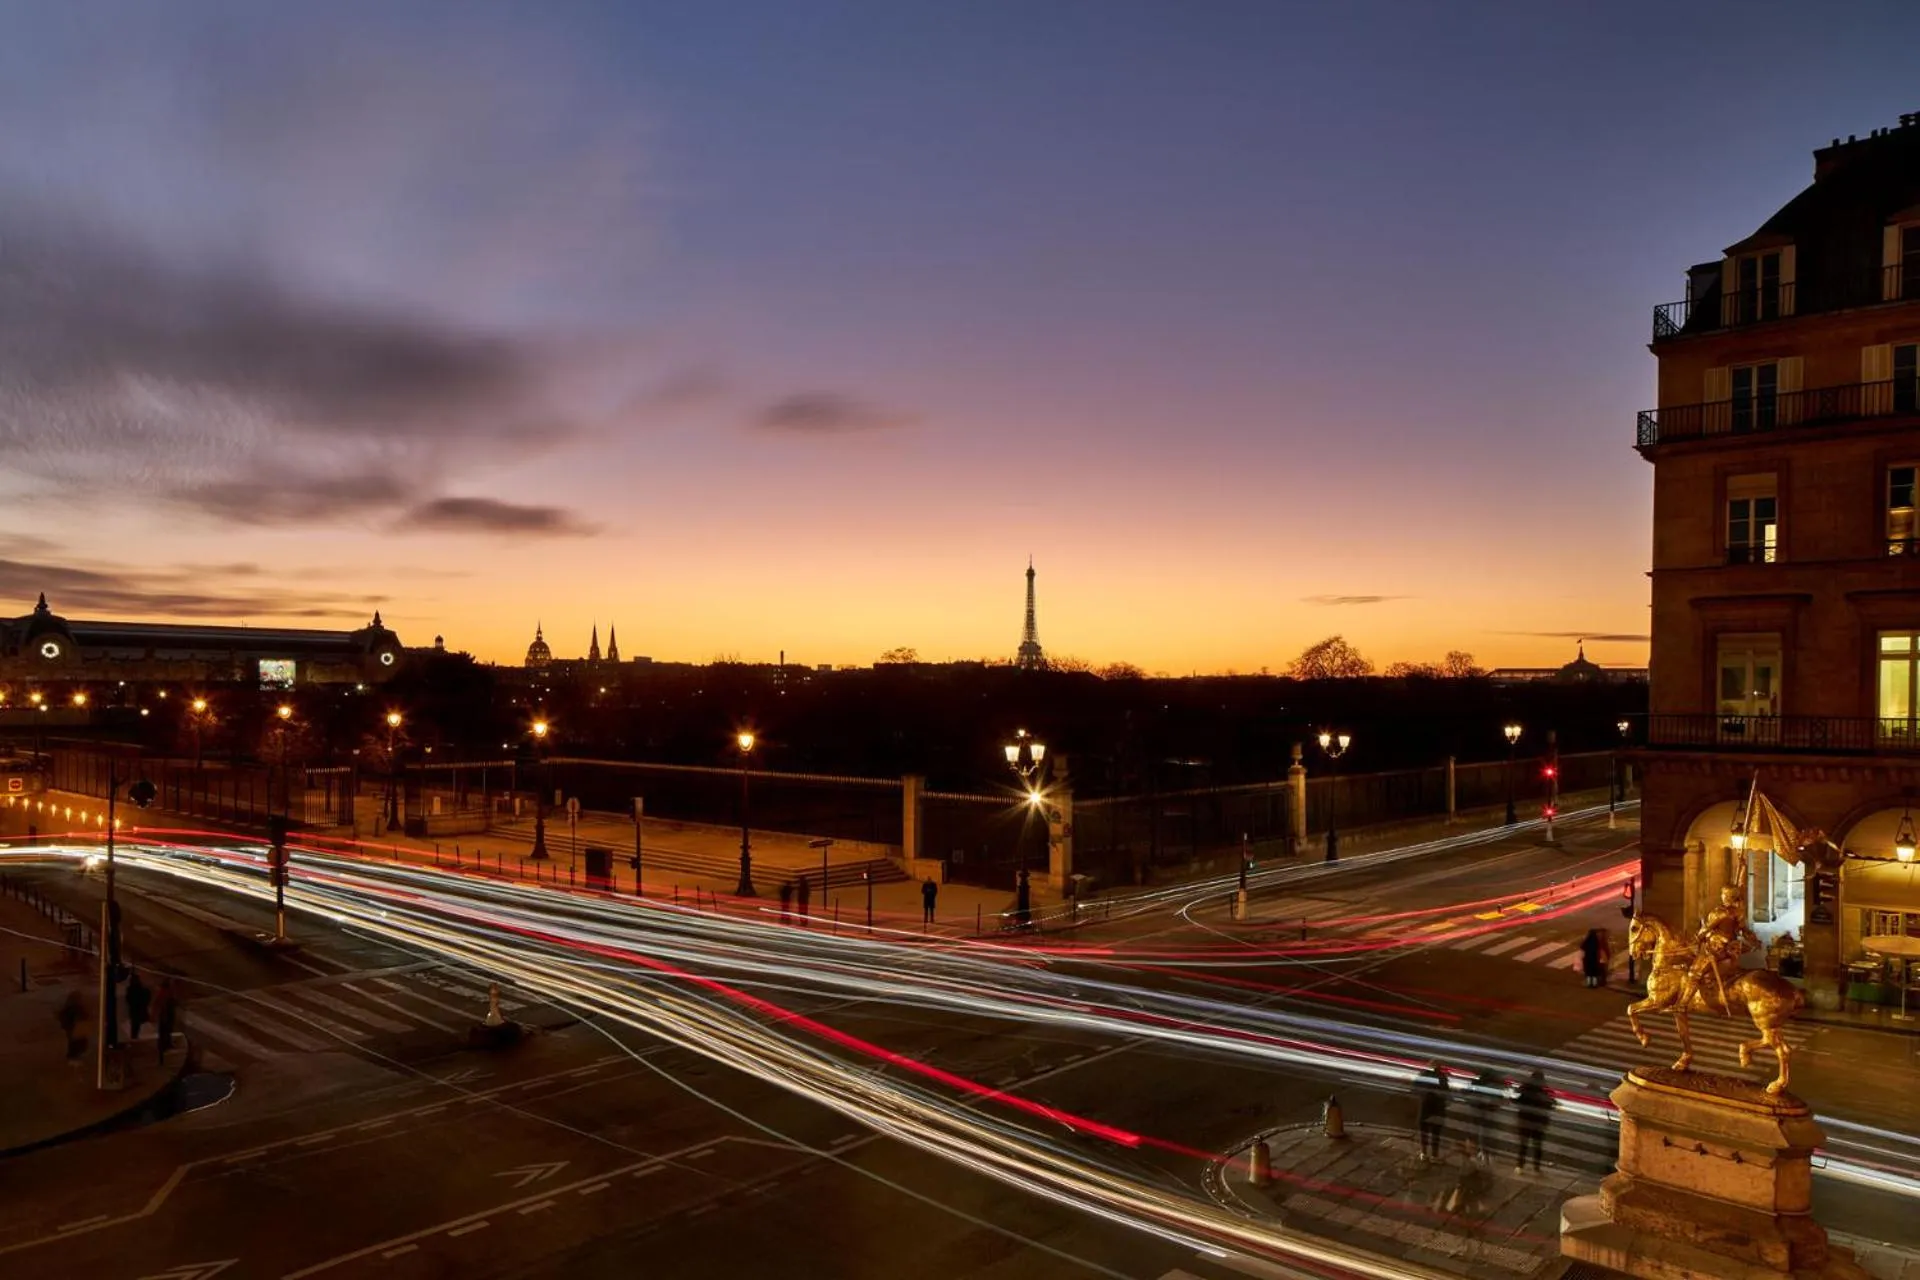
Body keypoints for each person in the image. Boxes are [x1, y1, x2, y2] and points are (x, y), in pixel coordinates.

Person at [1514, 1068, 1554, 1174]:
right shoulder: (1543, 1091)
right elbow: (1549, 1104)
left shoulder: (1524, 1088)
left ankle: (1520, 1166)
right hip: (1538, 1122)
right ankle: (1536, 1167)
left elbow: (1516, 1100)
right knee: (1537, 1145)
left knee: (1523, 1144)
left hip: (1524, 1120)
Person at [1467, 1067, 1504, 1162]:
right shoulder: (1495, 1085)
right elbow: (1500, 1098)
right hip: (1489, 1111)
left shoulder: (1477, 1082)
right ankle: (1486, 1153)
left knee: (1475, 1132)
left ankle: (1475, 1153)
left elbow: (1468, 1093)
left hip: (1477, 1109)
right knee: (1487, 1133)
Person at [1414, 1061, 1449, 1162]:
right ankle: (1434, 1155)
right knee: (1436, 1133)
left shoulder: (1423, 1075)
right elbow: (1446, 1092)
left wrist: (1423, 1095)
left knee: (1424, 1132)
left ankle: (1423, 1153)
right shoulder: (1441, 1077)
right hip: (1437, 1108)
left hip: (1425, 1106)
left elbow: (1415, 1088)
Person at [56, 991, 87, 1062]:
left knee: (74, 1041)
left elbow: (62, 1016)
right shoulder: (77, 1008)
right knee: (76, 1041)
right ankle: (74, 1055)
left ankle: (73, 1055)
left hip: (73, 1026)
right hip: (74, 1026)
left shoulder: (70, 1007)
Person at [153, 977, 178, 1061]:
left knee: (168, 1029)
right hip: (165, 1014)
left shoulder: (168, 992)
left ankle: (167, 1044)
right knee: (164, 1030)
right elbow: (160, 1004)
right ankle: (162, 1047)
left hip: (168, 1013)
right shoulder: (163, 992)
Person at [124, 969, 152, 1041]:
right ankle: (135, 1036)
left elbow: (128, 999)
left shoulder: (131, 989)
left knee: (135, 1023)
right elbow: (147, 996)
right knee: (136, 1024)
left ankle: (134, 1036)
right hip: (138, 1009)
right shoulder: (141, 989)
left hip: (134, 1009)